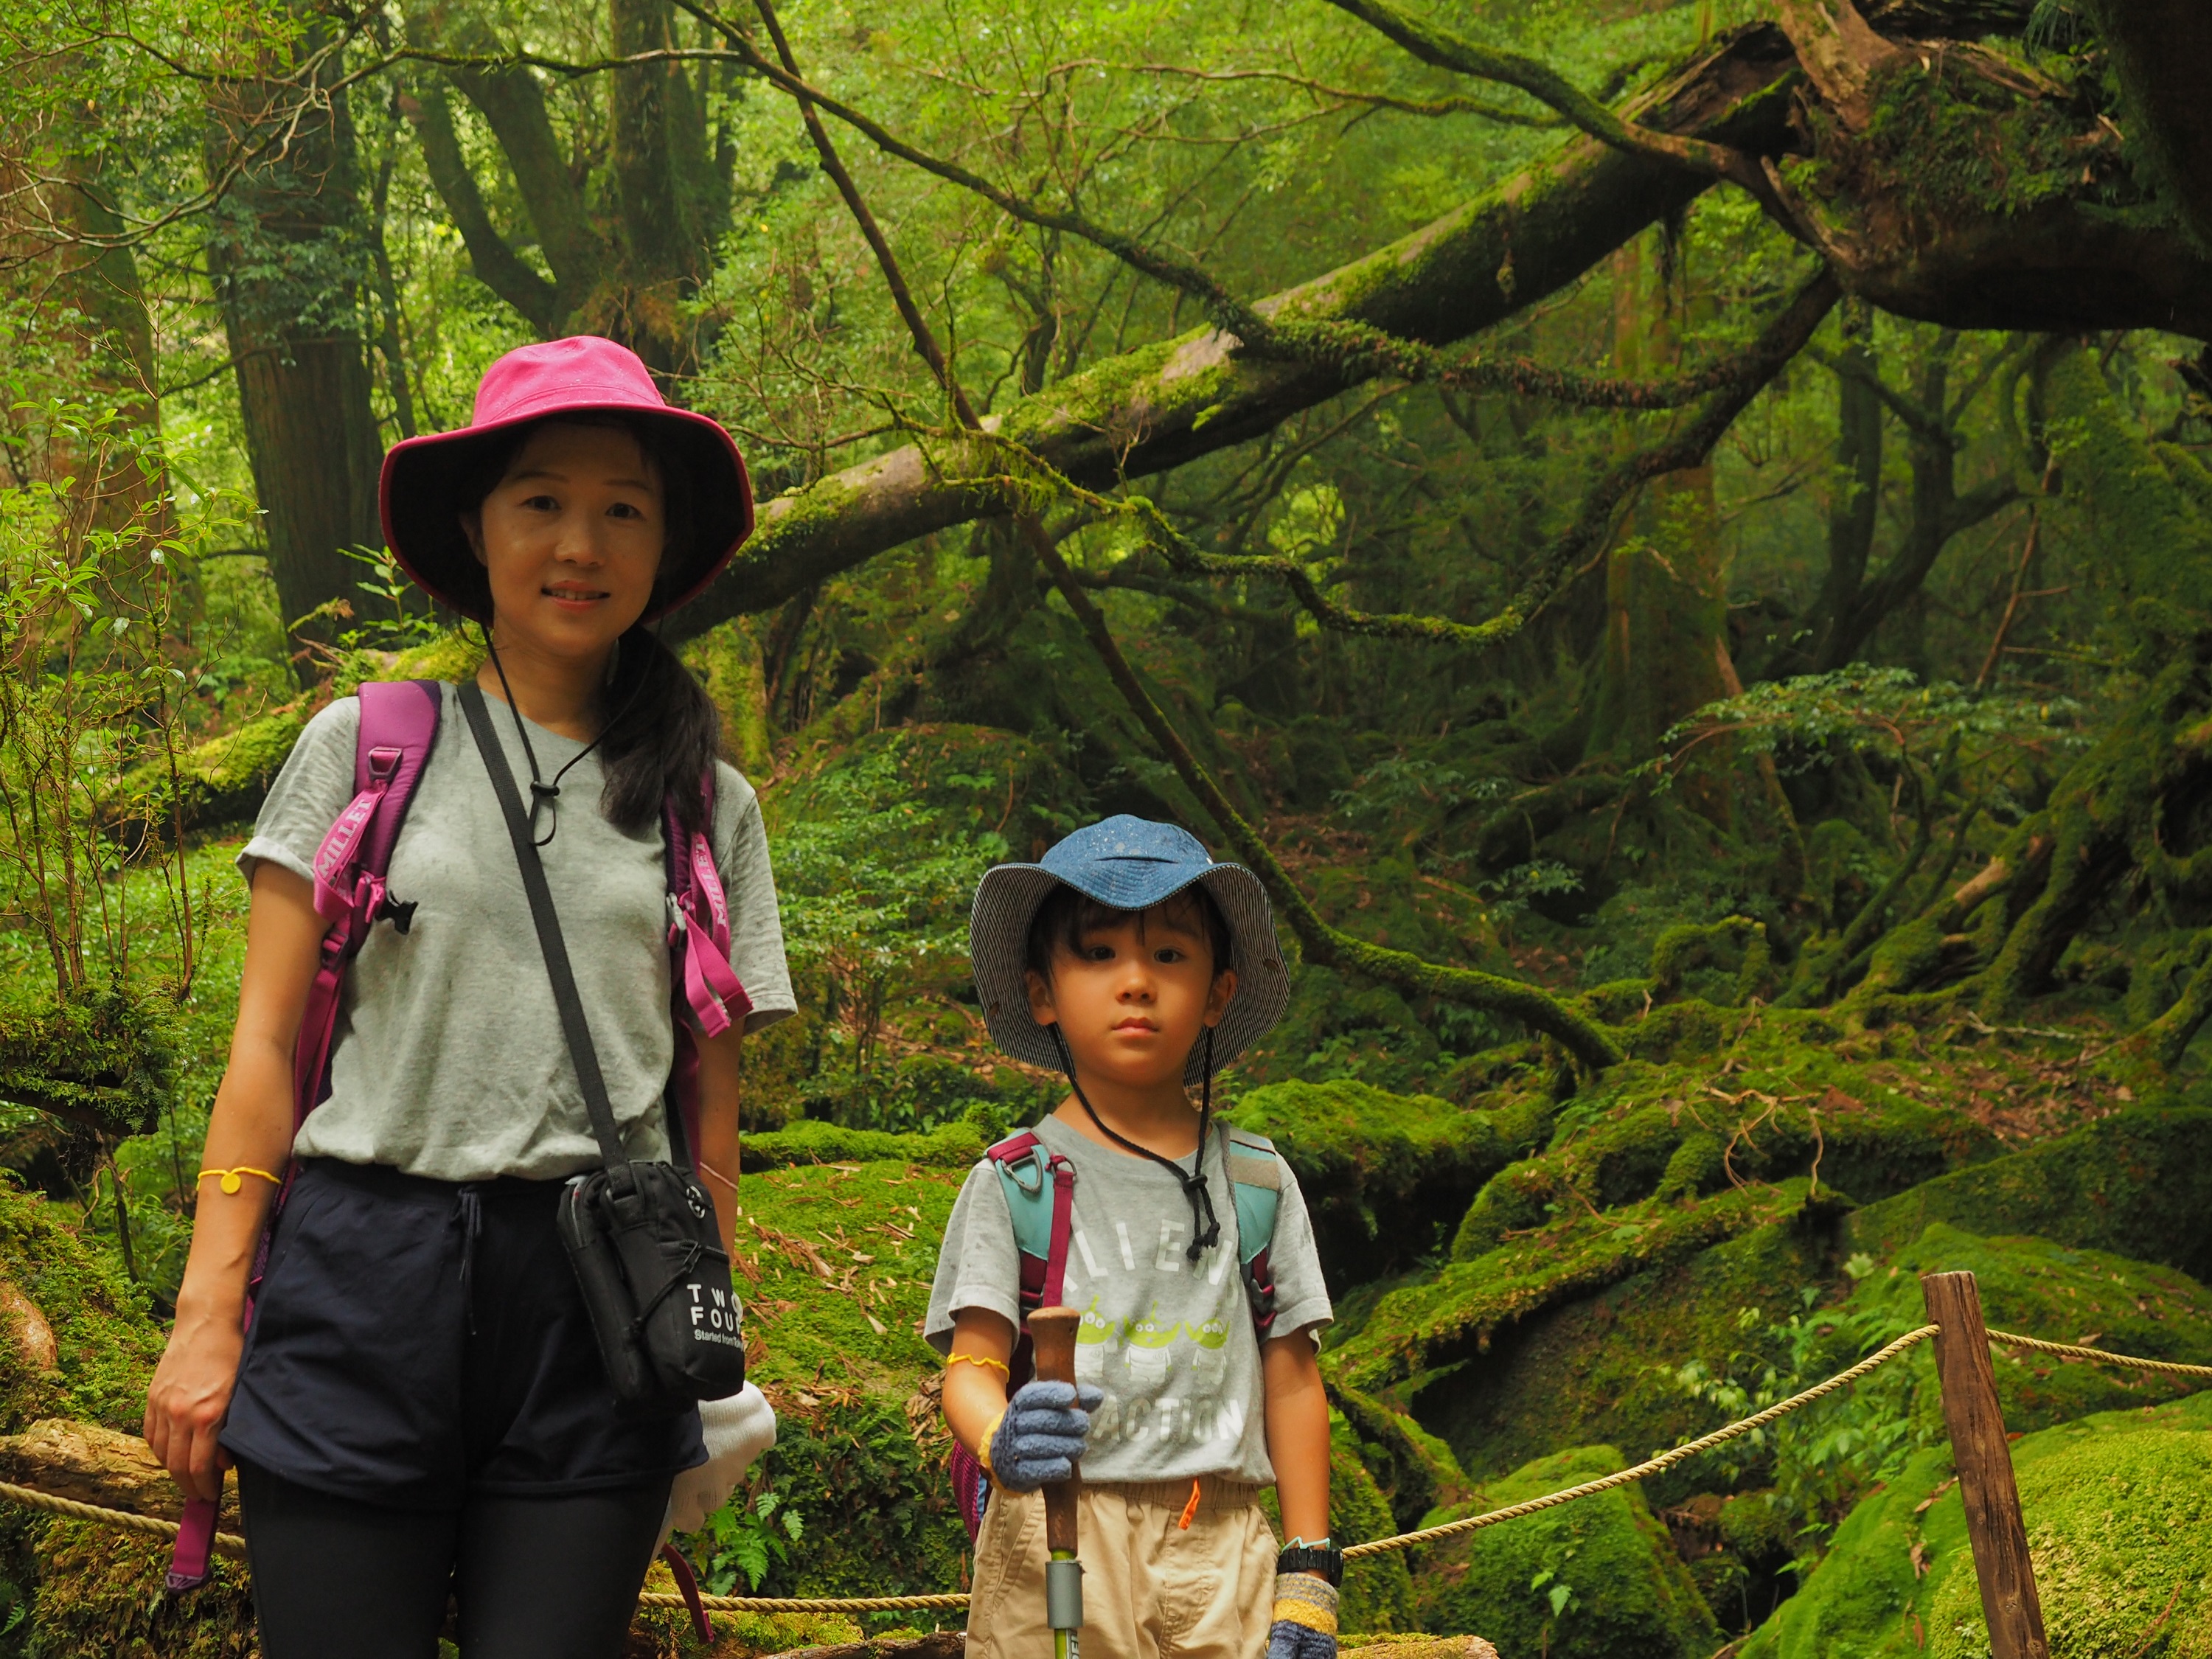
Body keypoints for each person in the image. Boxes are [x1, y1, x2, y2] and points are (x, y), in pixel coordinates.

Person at [142, 336, 796, 1659]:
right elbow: (266, 1047)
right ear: (475, 527)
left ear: (663, 549)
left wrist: (705, 1339)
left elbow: (705, 1117)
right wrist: (210, 1314)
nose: (581, 543)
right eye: (542, 501)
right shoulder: (367, 746)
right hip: (358, 1281)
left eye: (624, 509)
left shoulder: (707, 804)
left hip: (593, 1311)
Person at [927, 817, 1341, 1659]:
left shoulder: (1258, 1182)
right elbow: (970, 1365)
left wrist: (1308, 1574)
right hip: (1058, 1531)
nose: (1136, 984)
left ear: (1219, 993)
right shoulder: (1016, 1184)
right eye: (1098, 953)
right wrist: (1001, 1436)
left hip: (1225, 1545)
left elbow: (1292, 1377)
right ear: (1042, 991)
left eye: (1170, 956)